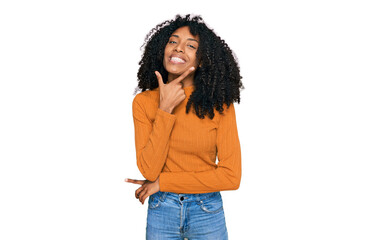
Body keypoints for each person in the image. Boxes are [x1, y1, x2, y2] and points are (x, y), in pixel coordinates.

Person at [125, 14, 244, 239]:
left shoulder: (220, 105)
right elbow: (149, 170)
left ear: (202, 59)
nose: (179, 48)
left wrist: (163, 182)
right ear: (162, 49)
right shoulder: (143, 103)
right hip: (162, 209)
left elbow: (231, 176)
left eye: (191, 46)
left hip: (206, 209)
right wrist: (165, 110)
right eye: (172, 41)